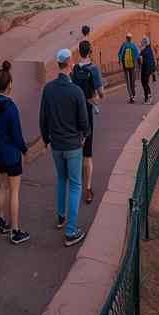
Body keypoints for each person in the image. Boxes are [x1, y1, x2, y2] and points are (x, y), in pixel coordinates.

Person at [39, 48, 91, 247]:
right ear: (69, 63)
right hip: (73, 145)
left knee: (61, 179)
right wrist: (84, 135)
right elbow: (84, 121)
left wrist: (45, 139)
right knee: (76, 185)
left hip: (57, 145)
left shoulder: (48, 89)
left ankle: (61, 216)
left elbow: (43, 117)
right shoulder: (75, 91)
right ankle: (70, 231)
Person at [0, 61, 30, 245]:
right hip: (12, 155)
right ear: (9, 84)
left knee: (3, 186)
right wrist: (24, 150)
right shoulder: (11, 108)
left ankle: (2, 220)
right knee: (15, 192)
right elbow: (17, 135)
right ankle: (15, 230)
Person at [71, 40, 103, 205]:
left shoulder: (74, 70)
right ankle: (88, 188)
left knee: (76, 151)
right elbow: (100, 93)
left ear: (79, 52)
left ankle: (76, 185)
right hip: (87, 114)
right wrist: (97, 97)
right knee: (87, 155)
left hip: (74, 115)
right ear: (90, 52)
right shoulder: (94, 69)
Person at [116, 33, 140, 103]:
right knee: (132, 80)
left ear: (126, 38)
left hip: (125, 66)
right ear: (131, 38)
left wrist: (120, 61)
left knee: (127, 80)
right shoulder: (133, 45)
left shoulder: (124, 45)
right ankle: (133, 93)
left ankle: (131, 96)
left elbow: (120, 53)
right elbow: (137, 54)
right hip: (132, 65)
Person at [139, 36, 157, 104]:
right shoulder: (150, 49)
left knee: (144, 83)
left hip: (145, 69)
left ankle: (148, 97)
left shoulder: (143, 52)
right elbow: (152, 60)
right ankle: (147, 96)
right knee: (146, 83)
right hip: (150, 69)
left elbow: (140, 62)